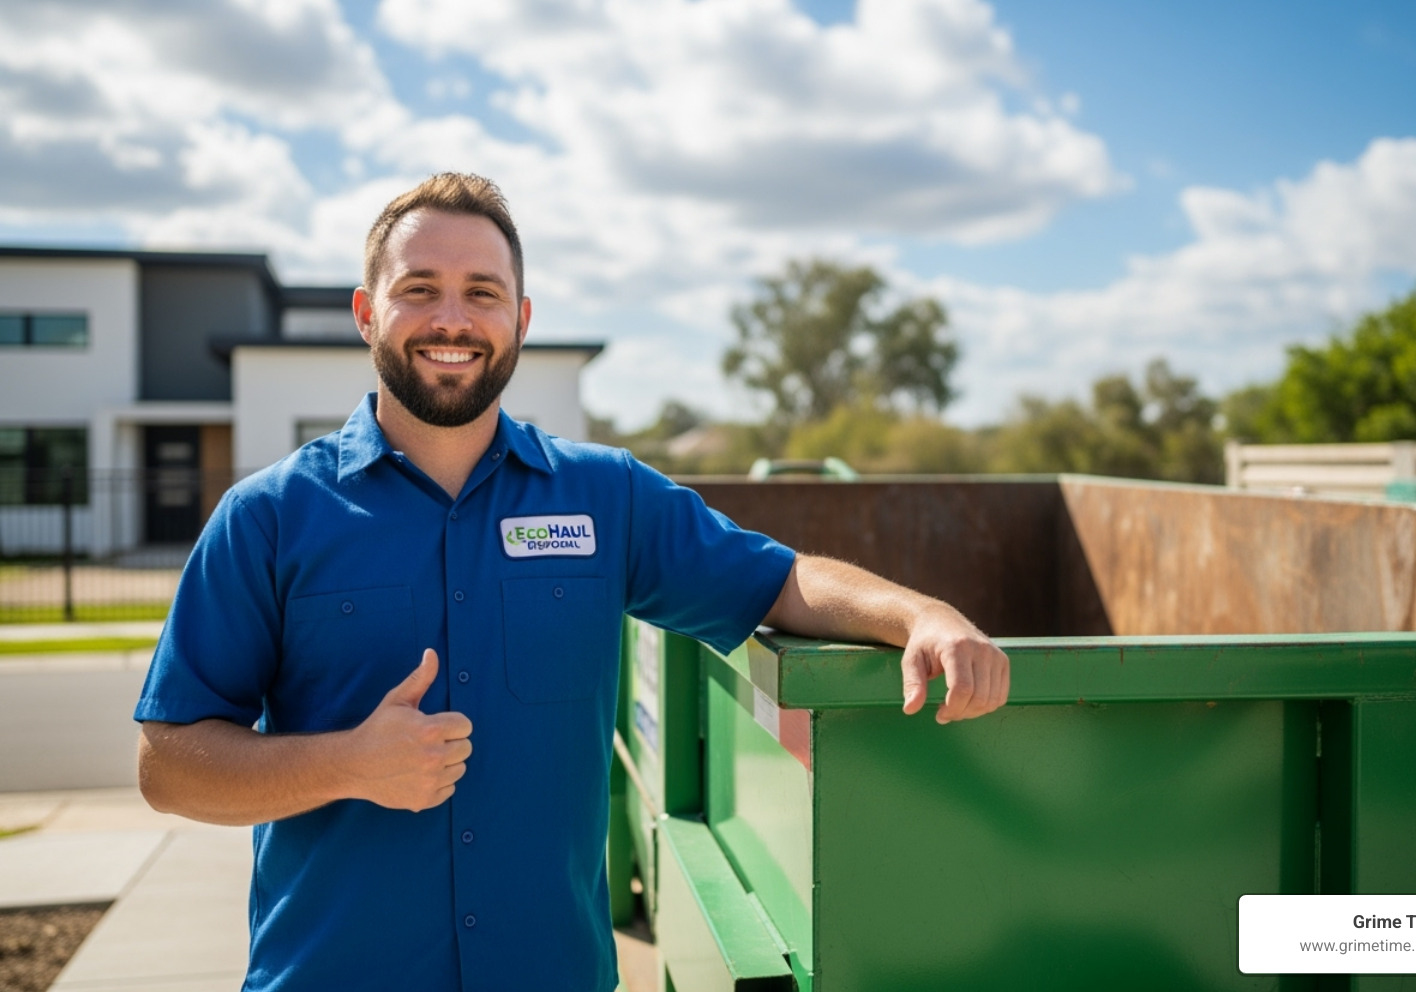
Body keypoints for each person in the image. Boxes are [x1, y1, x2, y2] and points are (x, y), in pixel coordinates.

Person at [136, 172, 1009, 992]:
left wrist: (920, 616)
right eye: (419, 288)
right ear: (368, 313)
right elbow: (169, 767)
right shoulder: (269, 517)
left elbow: (779, 583)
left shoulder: (607, 496)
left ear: (519, 317)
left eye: (481, 292)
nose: (452, 318)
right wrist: (348, 765)